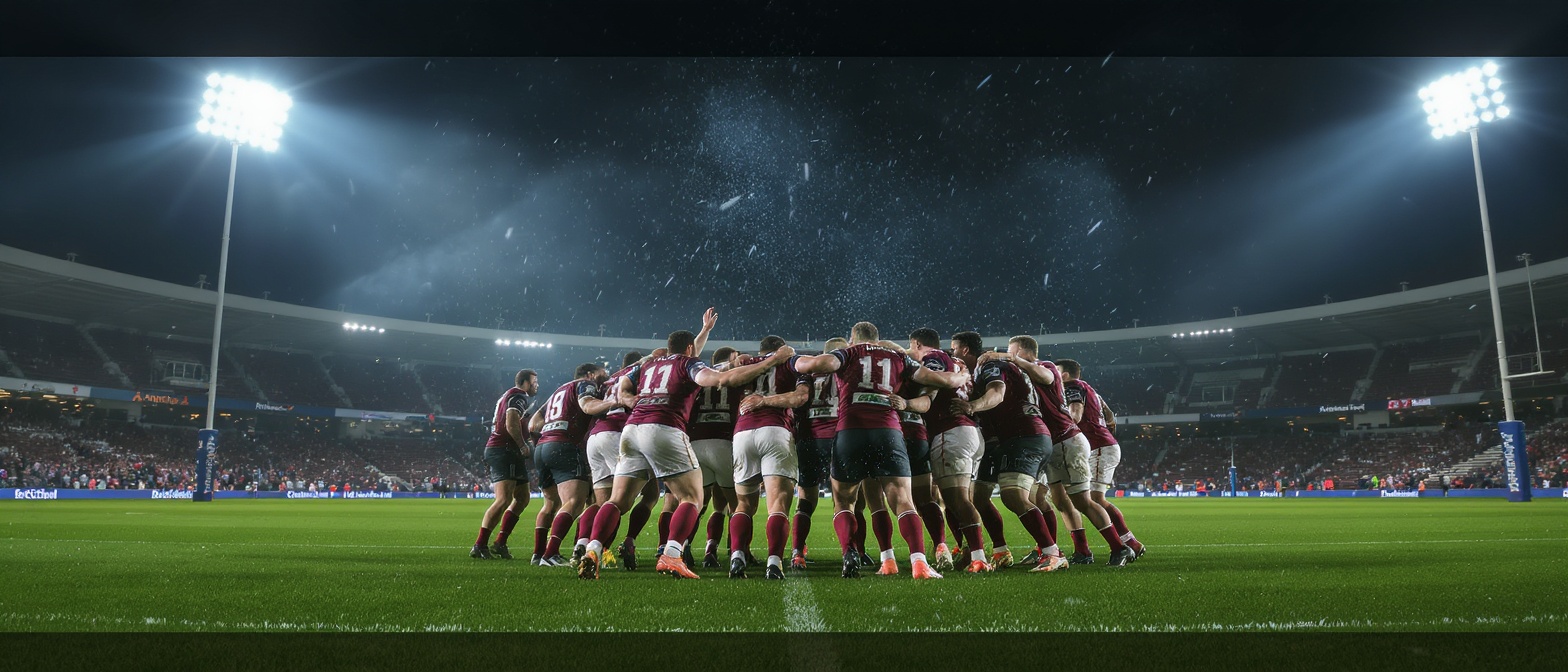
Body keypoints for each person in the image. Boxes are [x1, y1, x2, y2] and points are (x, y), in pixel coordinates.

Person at [577, 309, 788, 580]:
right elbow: (721, 379)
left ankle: (593, 549)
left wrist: (629, 398)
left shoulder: (649, 365)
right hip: (664, 427)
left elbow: (625, 382)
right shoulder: (689, 365)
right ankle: (672, 554)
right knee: (692, 498)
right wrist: (769, 362)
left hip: (632, 429)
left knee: (618, 500)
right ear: (690, 349)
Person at [790, 321, 969, 579]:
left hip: (850, 431)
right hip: (888, 431)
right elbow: (941, 380)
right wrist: (961, 376)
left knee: (845, 502)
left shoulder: (849, 353)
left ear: (853, 338)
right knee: (903, 501)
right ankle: (919, 562)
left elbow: (815, 365)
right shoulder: (896, 357)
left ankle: (850, 550)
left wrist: (794, 361)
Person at [982, 337, 1134, 567]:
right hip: (1052, 443)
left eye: (1012, 351)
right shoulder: (1025, 374)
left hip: (1066, 440)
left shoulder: (1046, 367)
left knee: (1084, 501)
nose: (1008, 354)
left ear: (1021, 350)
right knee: (1060, 501)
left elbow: (1046, 378)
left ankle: (1119, 547)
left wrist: (1006, 358)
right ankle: (1079, 551)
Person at [951, 335, 1069, 573]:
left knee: (1014, 496)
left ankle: (1052, 554)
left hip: (1026, 435)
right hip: (1003, 440)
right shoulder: (979, 371)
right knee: (979, 496)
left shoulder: (991, 365)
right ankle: (1001, 551)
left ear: (965, 351)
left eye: (953, 350)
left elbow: (997, 393)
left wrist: (972, 406)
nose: (951, 354)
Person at [730, 335, 811, 579]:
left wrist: (736, 361)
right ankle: (774, 562)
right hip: (775, 431)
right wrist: (767, 401)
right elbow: (799, 398)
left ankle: (736, 557)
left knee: (743, 504)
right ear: (782, 349)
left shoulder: (746, 364)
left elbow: (725, 375)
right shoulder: (790, 363)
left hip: (742, 433)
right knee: (778, 505)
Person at [530, 363, 621, 567]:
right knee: (574, 502)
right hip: (566, 445)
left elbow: (532, 423)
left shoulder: (559, 391)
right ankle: (550, 554)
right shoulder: (585, 384)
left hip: (543, 446)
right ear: (589, 374)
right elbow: (587, 406)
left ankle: (538, 553)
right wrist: (615, 401)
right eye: (600, 374)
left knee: (550, 504)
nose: (602, 378)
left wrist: (552, 430)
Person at [913, 329, 986, 573]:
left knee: (957, 500)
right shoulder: (958, 363)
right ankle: (969, 551)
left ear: (917, 344)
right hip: (969, 433)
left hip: (950, 431)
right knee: (954, 499)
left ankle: (979, 557)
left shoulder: (933, 357)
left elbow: (930, 378)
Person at [791, 337, 849, 569]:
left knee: (805, 500)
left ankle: (797, 552)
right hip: (839, 437)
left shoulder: (806, 374)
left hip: (808, 439)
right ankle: (852, 552)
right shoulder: (847, 371)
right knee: (845, 500)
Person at [687, 346, 745, 569]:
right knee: (737, 505)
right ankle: (737, 553)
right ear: (731, 359)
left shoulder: (699, 374)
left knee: (697, 504)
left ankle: (688, 547)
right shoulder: (733, 374)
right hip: (723, 441)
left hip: (696, 442)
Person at [472, 369, 539, 560]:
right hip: (504, 449)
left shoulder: (507, 395)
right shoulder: (519, 395)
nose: (537, 385)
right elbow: (510, 423)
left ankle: (500, 541)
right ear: (525, 382)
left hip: (507, 450)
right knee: (503, 500)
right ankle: (480, 544)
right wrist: (522, 445)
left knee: (522, 497)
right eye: (534, 381)